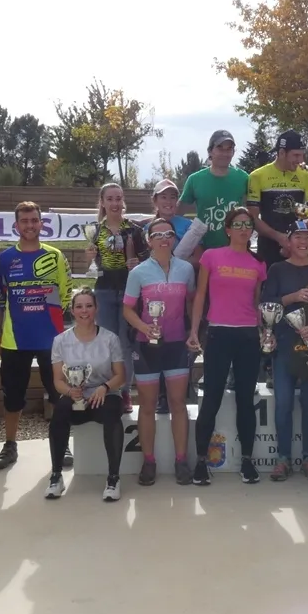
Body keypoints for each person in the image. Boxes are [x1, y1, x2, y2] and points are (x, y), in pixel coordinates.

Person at [187, 207, 267, 485]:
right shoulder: (211, 256)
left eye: (248, 225)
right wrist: (194, 330)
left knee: (246, 400)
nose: (244, 229)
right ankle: (200, 461)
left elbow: (257, 303)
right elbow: (200, 296)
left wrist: (264, 332)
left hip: (248, 336)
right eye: (239, 224)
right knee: (212, 398)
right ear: (228, 230)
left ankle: (247, 460)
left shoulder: (258, 263)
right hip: (218, 333)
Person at [0, 201, 72, 471]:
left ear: (41, 223)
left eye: (34, 220)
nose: (30, 225)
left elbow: (66, 292)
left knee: (59, 393)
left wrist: (51, 318)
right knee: (12, 396)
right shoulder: (4, 259)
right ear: (16, 225)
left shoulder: (56, 256)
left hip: (51, 338)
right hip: (15, 340)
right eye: (24, 221)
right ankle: (10, 444)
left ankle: (63, 443)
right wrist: (0, 333)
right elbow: (0, 300)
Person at [123, 218, 197, 486]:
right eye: (158, 235)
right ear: (148, 240)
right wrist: (145, 327)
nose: (164, 239)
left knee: (178, 403)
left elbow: (191, 303)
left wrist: (193, 332)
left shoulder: (186, 269)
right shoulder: (138, 272)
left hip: (176, 344)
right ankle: (149, 461)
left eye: (169, 234)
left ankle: (181, 461)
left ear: (175, 238)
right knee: (147, 406)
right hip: (146, 346)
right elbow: (127, 309)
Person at [262, 219, 308, 482]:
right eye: (298, 237)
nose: (303, 242)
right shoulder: (277, 269)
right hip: (284, 344)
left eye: (307, 237)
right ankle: (282, 458)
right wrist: (292, 297)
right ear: (289, 241)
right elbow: (267, 303)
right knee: (283, 403)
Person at [47, 288, 126, 501]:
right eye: (79, 306)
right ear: (72, 311)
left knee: (112, 413)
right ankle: (56, 476)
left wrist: (105, 387)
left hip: (104, 395)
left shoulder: (110, 338)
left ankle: (113, 478)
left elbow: (121, 376)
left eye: (89, 306)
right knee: (59, 412)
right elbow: (58, 380)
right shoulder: (60, 341)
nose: (84, 311)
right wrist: (70, 391)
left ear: (96, 308)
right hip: (75, 397)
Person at [86, 183, 144, 413]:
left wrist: (138, 263)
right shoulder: (95, 231)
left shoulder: (134, 230)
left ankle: (125, 391)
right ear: (102, 202)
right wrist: (90, 257)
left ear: (123, 201)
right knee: (108, 343)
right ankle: (110, 391)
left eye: (118, 198)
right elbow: (94, 264)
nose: (115, 203)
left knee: (125, 343)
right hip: (104, 291)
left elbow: (147, 258)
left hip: (130, 291)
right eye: (110, 199)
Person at [147, 178, 192, 414]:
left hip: (180, 294)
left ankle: (181, 391)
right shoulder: (145, 228)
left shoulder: (188, 225)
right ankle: (162, 396)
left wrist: (178, 262)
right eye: (163, 196)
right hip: (153, 295)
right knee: (156, 343)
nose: (168, 201)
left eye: (173, 197)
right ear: (155, 200)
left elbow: (199, 257)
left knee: (179, 342)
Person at [247, 129, 308, 269]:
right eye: (296, 155)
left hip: (297, 248)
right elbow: (253, 218)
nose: (300, 160)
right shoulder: (257, 176)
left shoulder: (306, 175)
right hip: (268, 245)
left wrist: (298, 240)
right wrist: (280, 238)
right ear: (281, 153)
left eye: (302, 155)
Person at [179, 130, 248, 255]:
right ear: (210, 151)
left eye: (229, 149)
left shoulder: (243, 178)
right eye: (220, 148)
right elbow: (178, 212)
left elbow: (253, 211)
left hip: (235, 251)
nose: (225, 153)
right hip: (204, 252)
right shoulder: (195, 180)